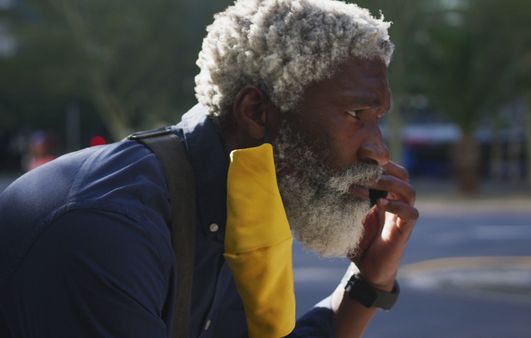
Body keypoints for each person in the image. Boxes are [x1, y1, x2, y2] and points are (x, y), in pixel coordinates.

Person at [0, 0, 418, 337]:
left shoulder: (240, 204)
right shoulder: (109, 226)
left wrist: (369, 281)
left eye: (378, 118)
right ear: (256, 111)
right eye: (355, 114)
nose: (379, 152)